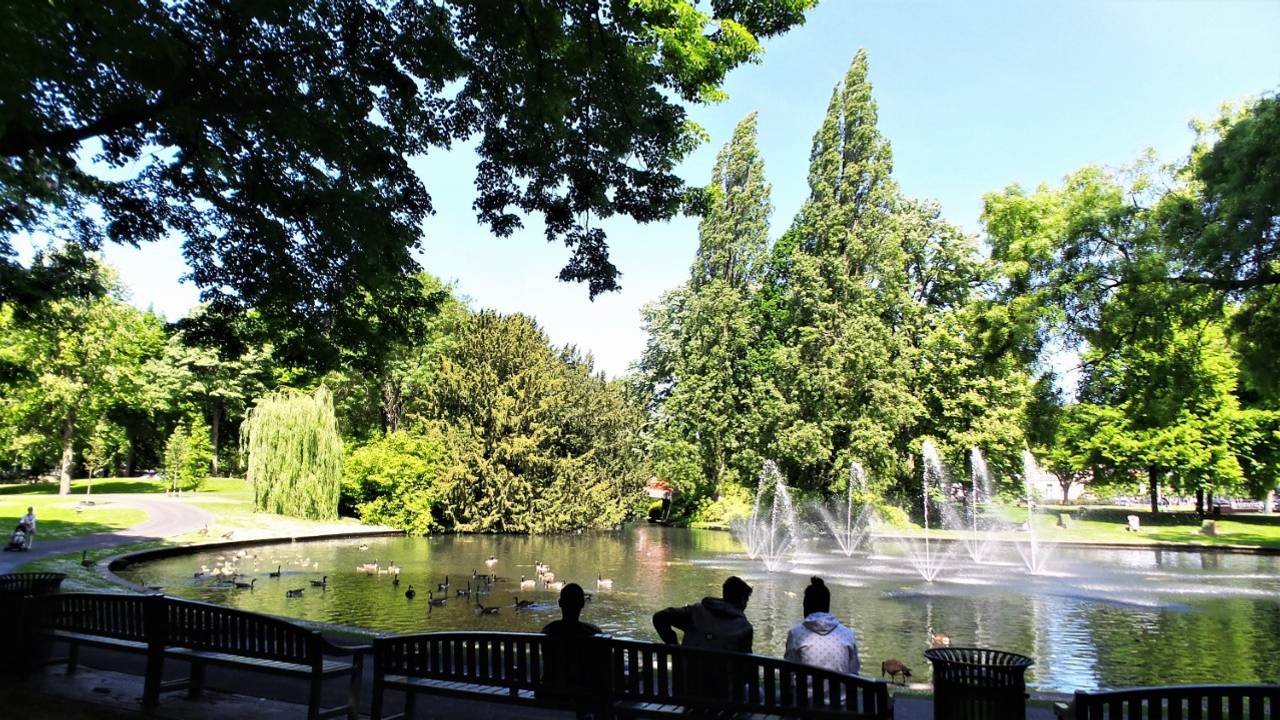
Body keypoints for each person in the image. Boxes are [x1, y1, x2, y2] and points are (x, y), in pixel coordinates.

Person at [652, 576, 753, 700]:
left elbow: (659, 617)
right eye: (747, 600)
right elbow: (748, 670)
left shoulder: (695, 612)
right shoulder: (744, 627)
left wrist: (673, 644)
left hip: (688, 690)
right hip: (723, 697)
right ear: (742, 600)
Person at [541, 584, 605, 717]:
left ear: (559, 603)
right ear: (582, 604)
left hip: (551, 689)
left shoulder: (547, 631)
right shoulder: (593, 632)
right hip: (585, 690)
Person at [784, 576, 860, 675]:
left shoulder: (795, 633)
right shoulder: (847, 634)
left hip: (804, 691)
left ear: (806, 606)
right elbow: (854, 672)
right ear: (827, 606)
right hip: (839, 691)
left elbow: (789, 671)